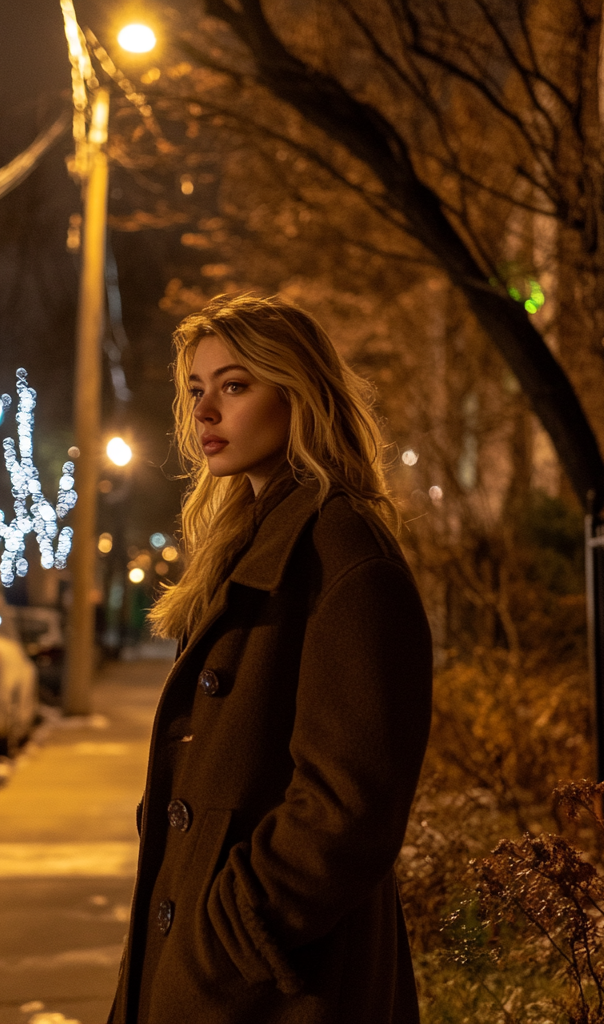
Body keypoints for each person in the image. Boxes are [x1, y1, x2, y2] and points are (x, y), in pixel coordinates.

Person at [108, 294, 433, 1024]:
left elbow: (350, 804)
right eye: (196, 390)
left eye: (234, 385)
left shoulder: (343, 555)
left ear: (298, 392)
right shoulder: (251, 545)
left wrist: (228, 935)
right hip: (209, 965)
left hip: (269, 987)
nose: (205, 413)